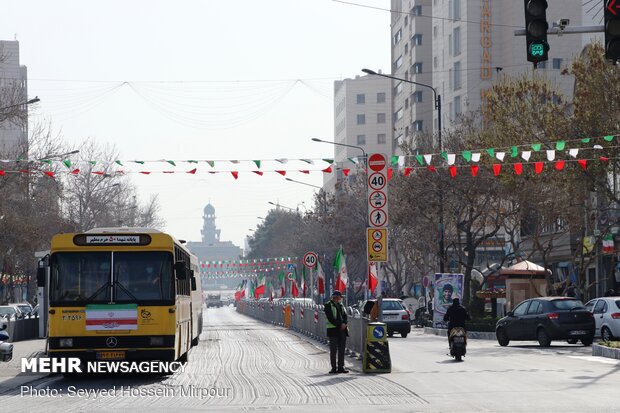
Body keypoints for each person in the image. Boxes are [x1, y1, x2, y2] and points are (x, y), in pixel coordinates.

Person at [324, 290, 349, 374]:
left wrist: (345, 323)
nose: (339, 299)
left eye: (340, 298)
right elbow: (330, 318)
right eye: (338, 297)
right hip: (333, 330)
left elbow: (345, 316)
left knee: (342, 349)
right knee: (333, 350)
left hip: (342, 330)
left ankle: (341, 367)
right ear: (334, 297)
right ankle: (334, 368)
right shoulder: (328, 305)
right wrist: (340, 325)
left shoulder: (341, 305)